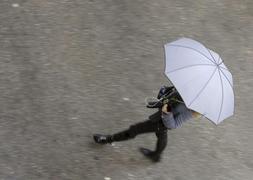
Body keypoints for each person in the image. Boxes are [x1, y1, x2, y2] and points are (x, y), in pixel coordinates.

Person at [93, 86, 201, 162]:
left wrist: (167, 111)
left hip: (161, 122)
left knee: (134, 129)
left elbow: (173, 125)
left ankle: (108, 139)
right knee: (161, 135)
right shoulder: (188, 88)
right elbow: (169, 97)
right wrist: (162, 97)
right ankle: (156, 156)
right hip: (159, 116)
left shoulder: (191, 110)